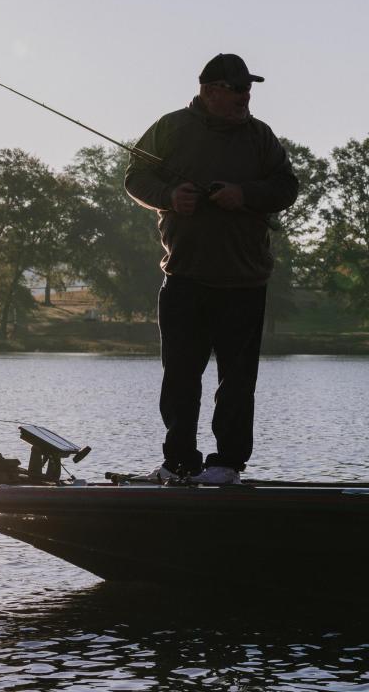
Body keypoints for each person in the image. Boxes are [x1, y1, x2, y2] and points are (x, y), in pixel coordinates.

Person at [125, 53, 299, 485]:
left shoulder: (260, 137)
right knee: (180, 379)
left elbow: (286, 186)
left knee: (237, 383)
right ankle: (179, 463)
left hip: (245, 281)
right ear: (211, 91)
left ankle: (226, 465)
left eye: (248, 88)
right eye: (238, 88)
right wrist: (169, 196)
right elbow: (135, 177)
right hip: (184, 278)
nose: (246, 96)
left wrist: (245, 194)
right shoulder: (171, 128)